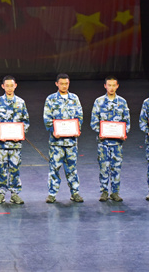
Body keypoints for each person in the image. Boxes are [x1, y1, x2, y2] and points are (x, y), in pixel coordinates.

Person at [0, 76, 30, 205]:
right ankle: (1, 193)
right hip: (1, 144)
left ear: (15, 85)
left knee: (14, 169)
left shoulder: (21, 102)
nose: (9, 88)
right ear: (3, 86)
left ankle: (15, 194)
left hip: (15, 144)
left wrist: (21, 134)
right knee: (1, 168)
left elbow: (26, 121)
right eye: (7, 86)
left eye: (12, 85)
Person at [44, 73, 85, 203]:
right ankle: (52, 194)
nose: (64, 86)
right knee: (54, 169)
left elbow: (79, 116)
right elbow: (47, 118)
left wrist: (77, 128)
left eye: (66, 83)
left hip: (71, 142)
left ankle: (75, 193)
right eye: (61, 83)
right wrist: (53, 130)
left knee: (72, 169)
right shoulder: (51, 99)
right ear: (57, 84)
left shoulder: (74, 98)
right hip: (56, 142)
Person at [89, 75, 130, 202]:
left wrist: (124, 132)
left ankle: (115, 193)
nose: (111, 88)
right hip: (103, 143)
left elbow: (127, 121)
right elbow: (94, 122)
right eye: (109, 85)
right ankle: (104, 192)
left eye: (114, 85)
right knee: (103, 168)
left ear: (117, 86)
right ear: (105, 86)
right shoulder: (99, 102)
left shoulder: (122, 102)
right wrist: (100, 132)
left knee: (116, 168)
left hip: (117, 143)